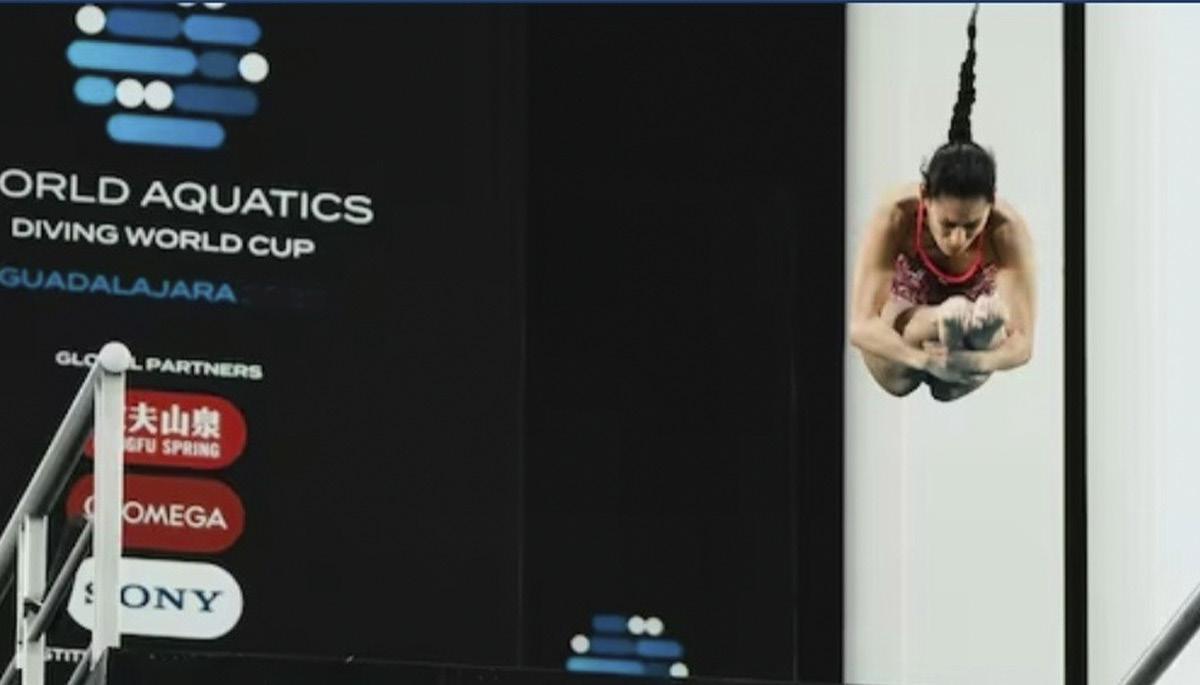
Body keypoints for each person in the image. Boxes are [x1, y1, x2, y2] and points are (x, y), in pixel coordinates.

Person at [848, 5, 1035, 401]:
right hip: (904, 334)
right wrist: (925, 361)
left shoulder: (1007, 231)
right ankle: (949, 319)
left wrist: (977, 361)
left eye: (972, 226)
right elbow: (861, 326)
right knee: (905, 364)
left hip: (967, 349)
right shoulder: (896, 216)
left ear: (991, 205)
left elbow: (1022, 344)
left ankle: (968, 326)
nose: (958, 239)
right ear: (924, 199)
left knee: (984, 344)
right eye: (948, 225)